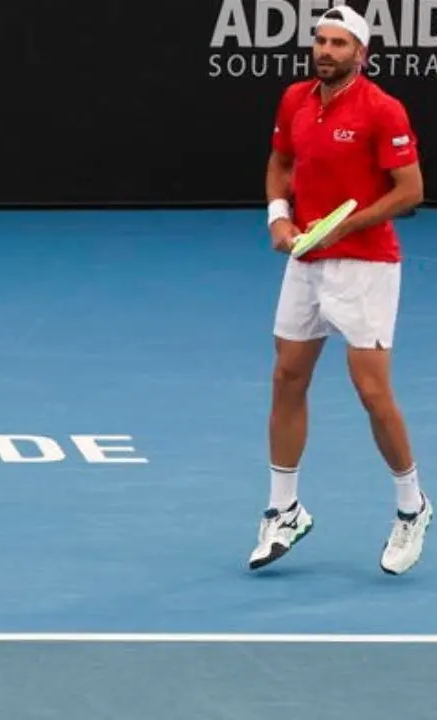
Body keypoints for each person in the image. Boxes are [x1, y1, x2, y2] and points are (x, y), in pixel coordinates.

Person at [250, 5, 428, 574]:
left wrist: (346, 224)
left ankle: (412, 507)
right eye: (320, 42)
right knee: (287, 376)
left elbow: (411, 190)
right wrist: (280, 217)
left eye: (338, 43)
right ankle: (283, 510)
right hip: (306, 258)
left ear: (361, 53)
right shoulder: (296, 100)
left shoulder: (382, 109)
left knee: (372, 393)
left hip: (366, 266)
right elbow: (279, 163)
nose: (325, 51)